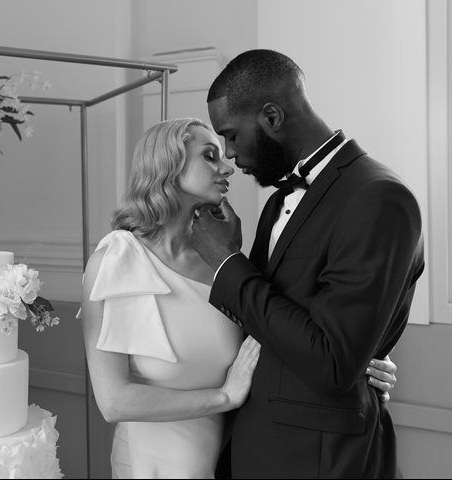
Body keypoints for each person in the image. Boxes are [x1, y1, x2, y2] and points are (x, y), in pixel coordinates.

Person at [79, 117, 399, 478]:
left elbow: (280, 333)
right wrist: (224, 397)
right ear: (168, 164)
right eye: (210, 155)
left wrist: (360, 358)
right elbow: (113, 401)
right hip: (151, 466)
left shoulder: (225, 265)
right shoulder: (118, 259)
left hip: (232, 461)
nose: (227, 165)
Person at [191, 49, 424, 478]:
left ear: (272, 117)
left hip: (317, 460)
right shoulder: (278, 201)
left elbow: (334, 361)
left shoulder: (380, 198)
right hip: (253, 445)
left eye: (231, 135)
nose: (229, 154)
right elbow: (268, 328)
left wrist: (226, 263)